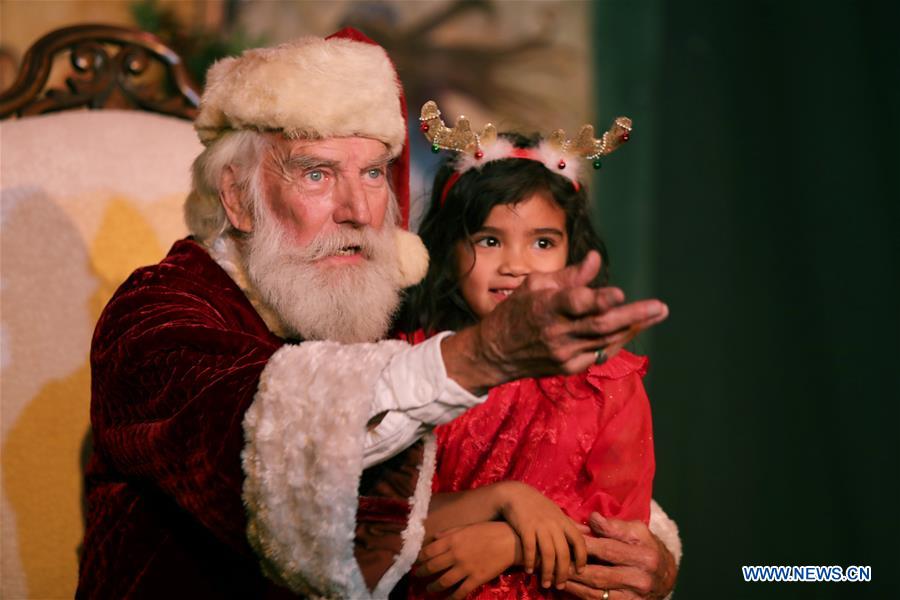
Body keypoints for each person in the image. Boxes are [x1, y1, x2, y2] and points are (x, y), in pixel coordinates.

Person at [77, 30, 673, 599]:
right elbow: (277, 437)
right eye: (317, 173)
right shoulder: (157, 314)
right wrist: (486, 356)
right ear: (237, 197)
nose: (359, 211)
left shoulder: (359, 302)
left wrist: (647, 555)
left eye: (371, 174)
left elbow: (547, 473)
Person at [397, 110, 680, 599]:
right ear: (449, 249)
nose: (516, 265)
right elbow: (373, 522)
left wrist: (511, 544)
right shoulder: (413, 362)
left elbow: (621, 545)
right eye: (489, 240)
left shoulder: (609, 383)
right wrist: (503, 501)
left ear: (574, 255)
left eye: (543, 242)